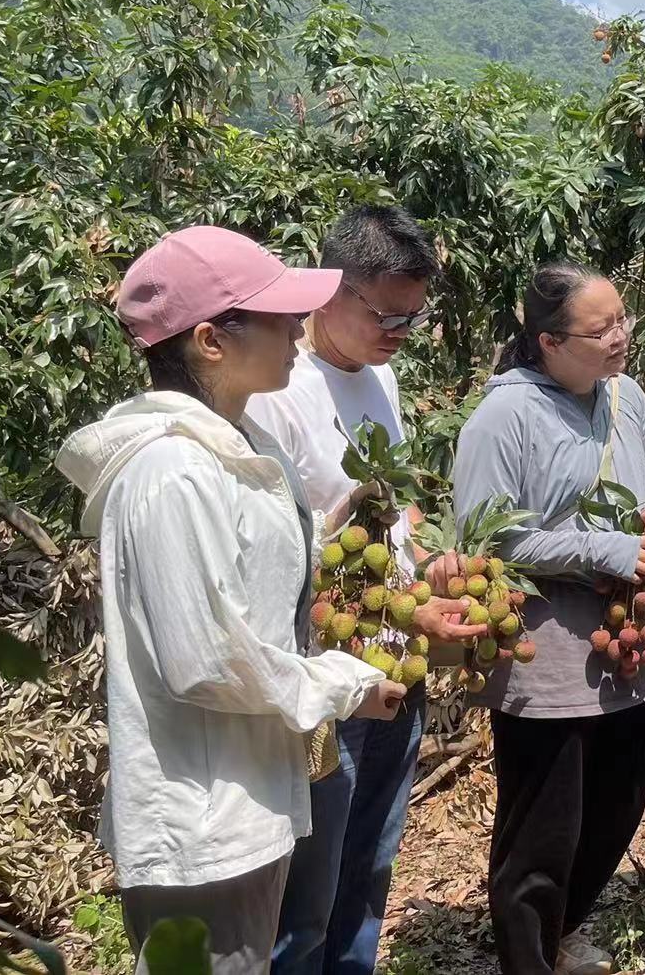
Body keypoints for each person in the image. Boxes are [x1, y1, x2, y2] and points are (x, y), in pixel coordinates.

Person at [57, 226, 405, 975]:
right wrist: (343, 682)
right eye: (277, 318)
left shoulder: (243, 448)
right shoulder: (171, 472)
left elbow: (254, 565)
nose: (294, 333)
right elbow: (207, 660)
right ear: (211, 341)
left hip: (252, 801)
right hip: (202, 828)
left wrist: (331, 523)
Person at [248, 206, 486, 975]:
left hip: (396, 657)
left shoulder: (380, 376)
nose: (399, 332)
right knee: (309, 882)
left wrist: (431, 576)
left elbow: (401, 509)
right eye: (385, 313)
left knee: (371, 857)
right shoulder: (274, 392)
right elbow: (270, 550)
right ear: (327, 291)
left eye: (413, 318)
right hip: (326, 675)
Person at [453, 262, 645, 975]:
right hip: (547, 662)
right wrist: (599, 547)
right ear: (547, 342)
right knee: (542, 835)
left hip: (625, 650)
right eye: (600, 328)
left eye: (622, 320)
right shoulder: (504, 416)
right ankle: (528, 958)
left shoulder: (626, 397)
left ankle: (563, 931)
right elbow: (487, 539)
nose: (619, 337)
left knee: (620, 806)